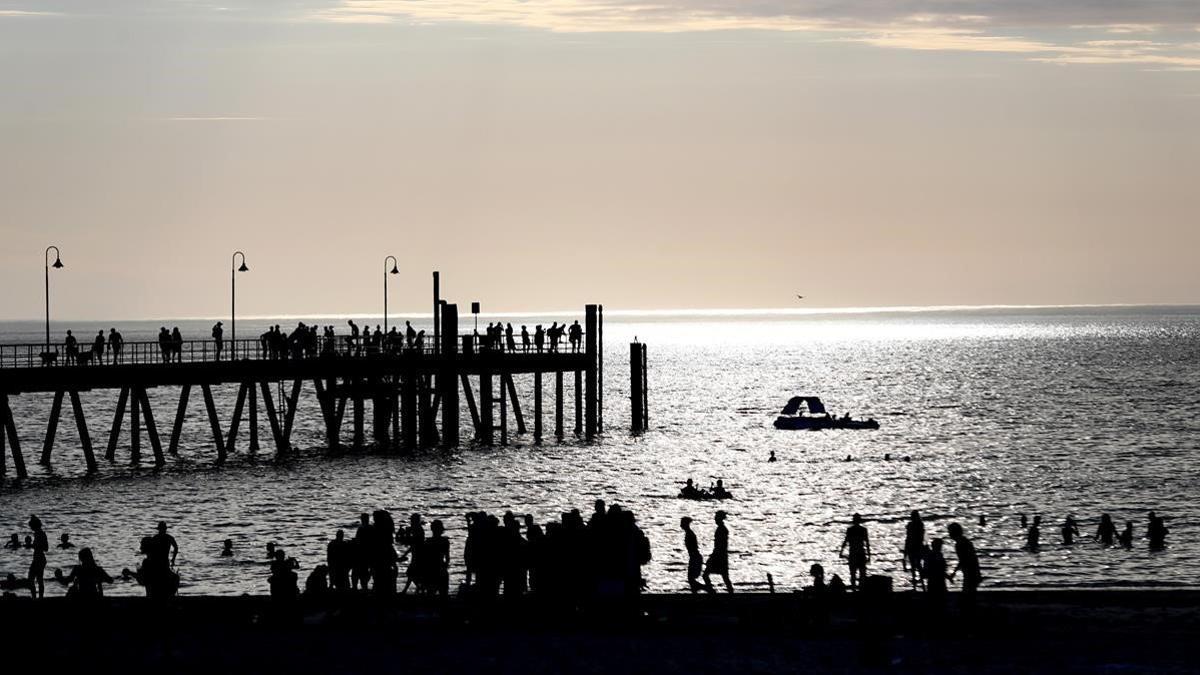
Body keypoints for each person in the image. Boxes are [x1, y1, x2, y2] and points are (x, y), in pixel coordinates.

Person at [947, 522, 982, 595]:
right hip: (972, 570)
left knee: (968, 592)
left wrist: (954, 572)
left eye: (949, 532)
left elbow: (963, 560)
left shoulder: (959, 544)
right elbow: (973, 558)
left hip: (969, 571)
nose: (949, 534)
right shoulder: (966, 541)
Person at [702, 511, 732, 593]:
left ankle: (712, 591)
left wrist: (714, 556)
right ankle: (730, 593)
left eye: (716, 517)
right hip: (721, 555)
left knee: (706, 575)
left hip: (719, 556)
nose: (714, 519)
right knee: (724, 576)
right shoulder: (722, 529)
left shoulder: (721, 529)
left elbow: (720, 545)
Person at [838, 513, 871, 589]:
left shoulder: (851, 530)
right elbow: (867, 543)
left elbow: (846, 541)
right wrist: (869, 555)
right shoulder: (863, 530)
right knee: (861, 573)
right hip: (860, 553)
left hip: (854, 553)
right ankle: (859, 589)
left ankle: (854, 588)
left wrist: (841, 551)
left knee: (854, 573)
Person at [425, 520, 450, 597]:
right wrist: (446, 565)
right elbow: (447, 557)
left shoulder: (428, 541)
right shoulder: (445, 541)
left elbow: (425, 558)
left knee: (430, 592)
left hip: (431, 568)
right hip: (441, 566)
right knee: (443, 593)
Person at [681, 517, 704, 593]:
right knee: (691, 578)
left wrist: (694, 559)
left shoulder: (690, 534)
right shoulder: (689, 533)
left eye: (682, 523)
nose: (680, 525)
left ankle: (706, 588)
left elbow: (693, 548)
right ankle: (698, 590)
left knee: (691, 578)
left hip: (695, 557)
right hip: (694, 557)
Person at [28, 515, 49, 598]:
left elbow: (46, 548)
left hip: (39, 559)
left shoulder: (40, 534)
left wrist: (33, 546)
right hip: (38, 558)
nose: (30, 527)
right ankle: (38, 597)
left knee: (32, 579)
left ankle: (36, 598)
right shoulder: (38, 533)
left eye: (31, 526)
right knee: (37, 579)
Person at [903, 510, 925, 585]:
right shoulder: (920, 524)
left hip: (913, 546)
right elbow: (921, 537)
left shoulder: (915, 525)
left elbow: (909, 537)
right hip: (915, 546)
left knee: (915, 565)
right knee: (917, 565)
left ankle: (917, 582)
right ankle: (920, 582)